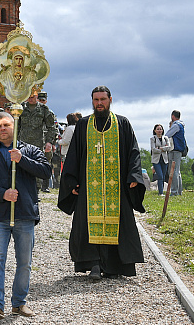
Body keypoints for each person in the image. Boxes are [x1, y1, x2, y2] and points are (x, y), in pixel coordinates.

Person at [58, 86, 146, 280]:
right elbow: (74, 155)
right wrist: (71, 182)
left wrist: (134, 176)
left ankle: (113, 266)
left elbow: (133, 152)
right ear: (92, 101)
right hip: (90, 188)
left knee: (118, 223)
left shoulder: (122, 123)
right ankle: (94, 264)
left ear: (110, 100)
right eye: (96, 100)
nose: (99, 103)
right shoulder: (83, 125)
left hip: (117, 187)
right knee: (87, 223)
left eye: (103, 99)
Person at [0, 111, 51, 320]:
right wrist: (2, 194)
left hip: (24, 215)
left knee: (24, 261)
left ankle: (19, 303)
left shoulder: (30, 150)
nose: (3, 129)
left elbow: (46, 171)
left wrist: (22, 159)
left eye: (6, 125)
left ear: (14, 126)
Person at [17, 91, 57, 192]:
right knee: (22, 164)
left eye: (33, 96)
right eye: (29, 96)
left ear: (37, 96)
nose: (30, 98)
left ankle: (36, 189)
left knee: (36, 165)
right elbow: (16, 126)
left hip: (38, 142)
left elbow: (51, 127)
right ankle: (23, 188)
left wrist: (49, 142)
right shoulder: (21, 108)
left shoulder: (43, 109)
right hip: (23, 142)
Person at [165, 110, 186, 196]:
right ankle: (179, 191)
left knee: (173, 171)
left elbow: (167, 135)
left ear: (172, 116)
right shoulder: (181, 125)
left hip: (174, 149)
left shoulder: (176, 125)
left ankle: (174, 192)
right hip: (179, 150)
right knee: (178, 171)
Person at [150, 124, 171, 196]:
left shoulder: (165, 138)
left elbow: (169, 147)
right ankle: (160, 192)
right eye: (158, 129)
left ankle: (161, 190)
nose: (159, 130)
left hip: (164, 159)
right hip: (156, 160)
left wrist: (159, 148)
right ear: (155, 130)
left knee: (164, 175)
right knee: (160, 176)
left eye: (160, 129)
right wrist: (162, 149)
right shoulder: (153, 139)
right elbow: (153, 149)